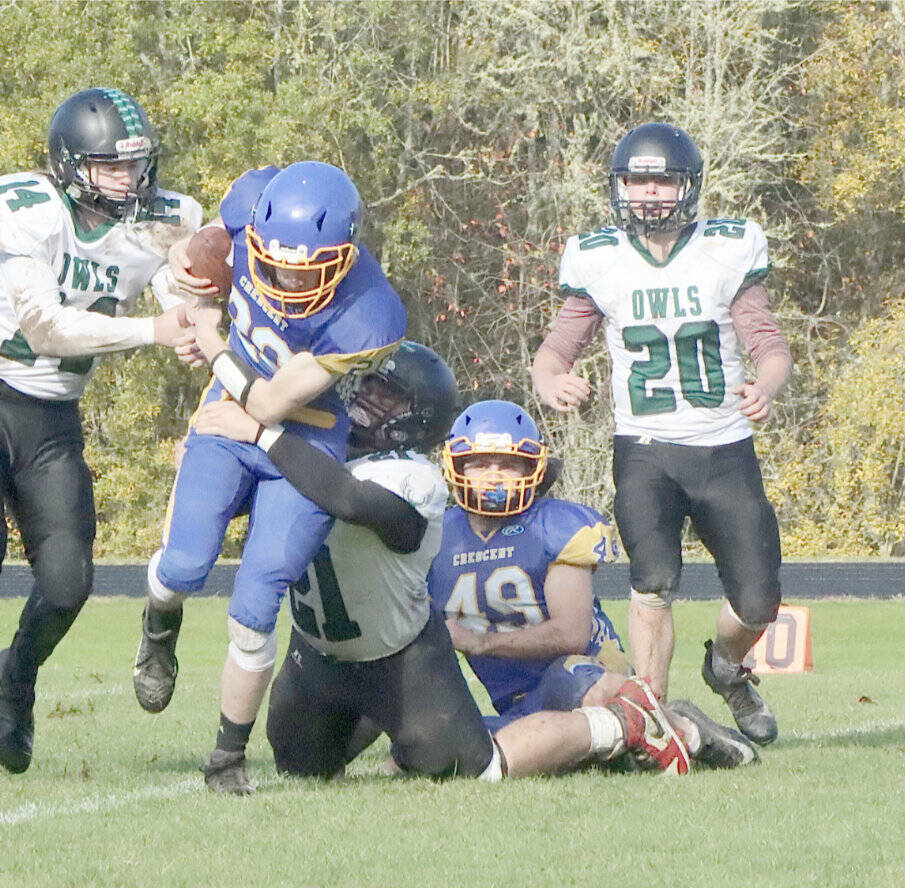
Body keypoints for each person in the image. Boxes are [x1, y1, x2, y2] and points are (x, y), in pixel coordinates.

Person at [193, 344, 702, 780]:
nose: (360, 405)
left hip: (550, 669)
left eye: (380, 398)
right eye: (361, 391)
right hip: (335, 659)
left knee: (481, 761)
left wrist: (262, 434)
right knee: (307, 766)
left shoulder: (417, 483)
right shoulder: (326, 459)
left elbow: (348, 499)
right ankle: (645, 735)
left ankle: (630, 721)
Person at [0, 88, 202, 787]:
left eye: (135, 165)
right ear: (70, 164)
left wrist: (197, 325)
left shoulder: (164, 219)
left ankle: (17, 675)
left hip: (52, 417)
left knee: (68, 582)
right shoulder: (25, 209)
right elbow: (46, 329)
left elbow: (181, 302)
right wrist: (154, 332)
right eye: (109, 167)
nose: (128, 180)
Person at [133, 162, 407, 794]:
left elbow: (266, 405)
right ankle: (158, 624)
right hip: (224, 425)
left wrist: (212, 337)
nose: (286, 278)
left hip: (297, 436)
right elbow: (187, 256)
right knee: (181, 567)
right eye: (273, 261)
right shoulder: (247, 206)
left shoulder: (369, 311)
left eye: (306, 267)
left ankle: (227, 757)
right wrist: (188, 290)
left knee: (256, 606)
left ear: (343, 255)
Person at [530, 122, 791, 745]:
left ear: (687, 185)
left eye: (661, 180)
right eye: (635, 180)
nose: (647, 193)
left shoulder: (726, 247)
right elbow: (555, 349)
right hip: (645, 450)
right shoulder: (599, 257)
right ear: (617, 186)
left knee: (758, 601)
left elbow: (770, 344)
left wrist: (767, 386)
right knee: (652, 584)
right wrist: (550, 381)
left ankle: (727, 670)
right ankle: (653, 724)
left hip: (724, 446)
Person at [430, 398, 754, 769]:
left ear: (533, 468)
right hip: (518, 704)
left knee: (572, 678)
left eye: (507, 464)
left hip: (588, 676)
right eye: (480, 464)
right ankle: (659, 729)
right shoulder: (435, 537)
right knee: (446, 752)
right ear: (455, 466)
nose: (494, 475)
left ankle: (678, 727)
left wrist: (480, 642)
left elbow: (571, 634)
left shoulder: (554, 525)